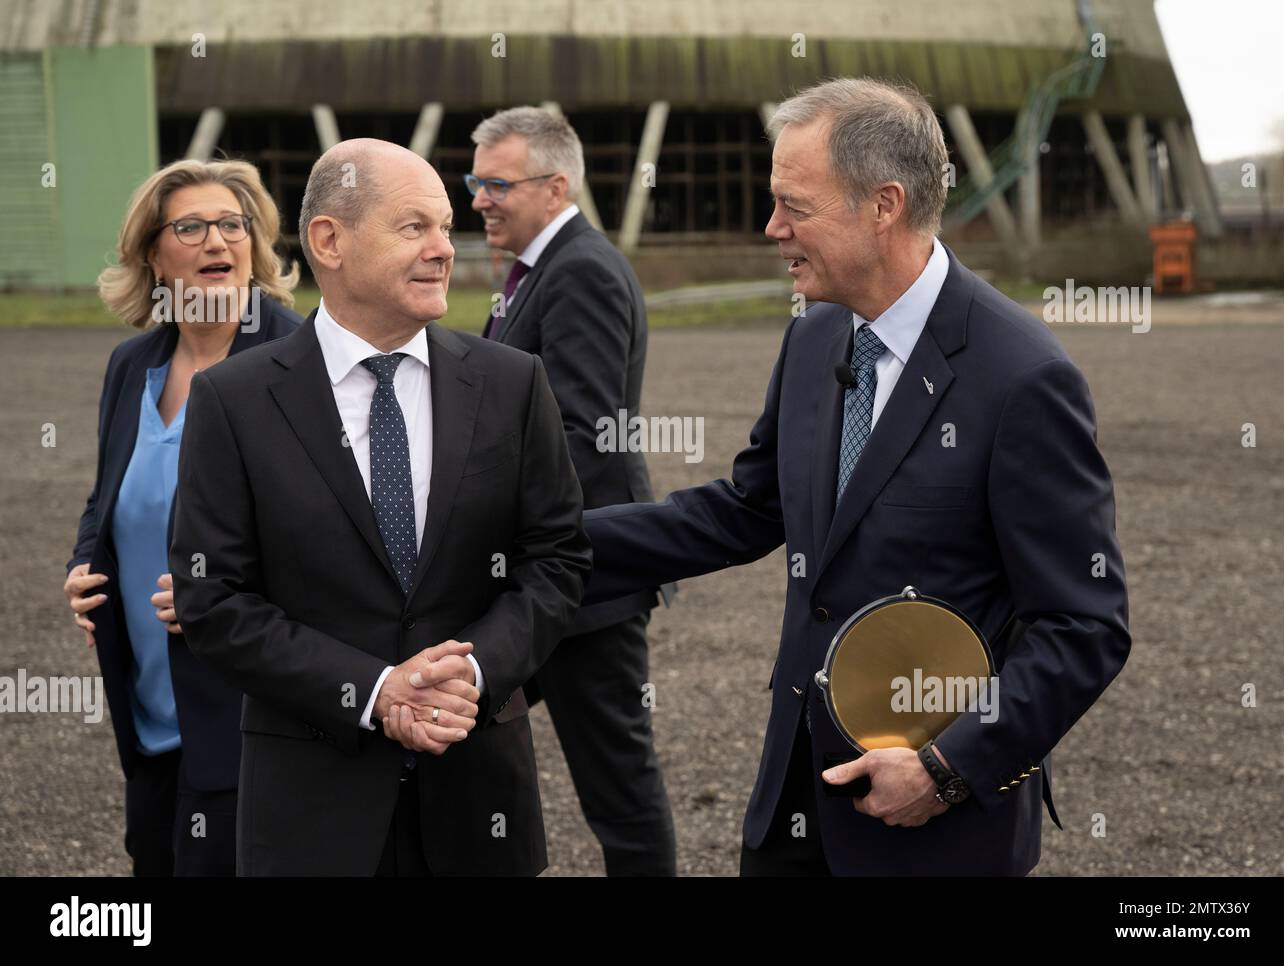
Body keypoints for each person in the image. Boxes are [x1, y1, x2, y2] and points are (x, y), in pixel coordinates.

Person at [581, 77, 1131, 875]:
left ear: (883, 205)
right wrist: (550, 544)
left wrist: (947, 769)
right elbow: (747, 508)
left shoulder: (1022, 379)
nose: (772, 229)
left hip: (932, 832)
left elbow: (1086, 627)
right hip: (793, 806)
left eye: (793, 206)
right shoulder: (815, 335)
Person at [169, 138, 591, 876]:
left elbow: (556, 562)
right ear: (328, 240)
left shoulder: (512, 382)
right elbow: (214, 600)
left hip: (476, 800)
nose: (443, 250)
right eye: (414, 228)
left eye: (444, 227)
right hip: (312, 810)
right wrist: (373, 690)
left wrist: (475, 672)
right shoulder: (234, 400)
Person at [63, 157, 302, 875]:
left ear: (255, 246)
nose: (216, 242)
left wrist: (225, 590)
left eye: (233, 225)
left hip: (251, 717)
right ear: (153, 255)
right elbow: (108, 494)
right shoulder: (132, 365)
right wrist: (85, 563)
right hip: (149, 714)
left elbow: (334, 532)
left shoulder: (296, 359)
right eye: (191, 227)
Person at [469, 106, 676, 876]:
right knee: (461, 731)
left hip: (586, 582)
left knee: (618, 787)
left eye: (497, 183)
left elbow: (587, 437)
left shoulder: (580, 270)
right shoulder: (536, 272)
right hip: (549, 578)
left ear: (555, 187)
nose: (479, 199)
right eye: (475, 181)